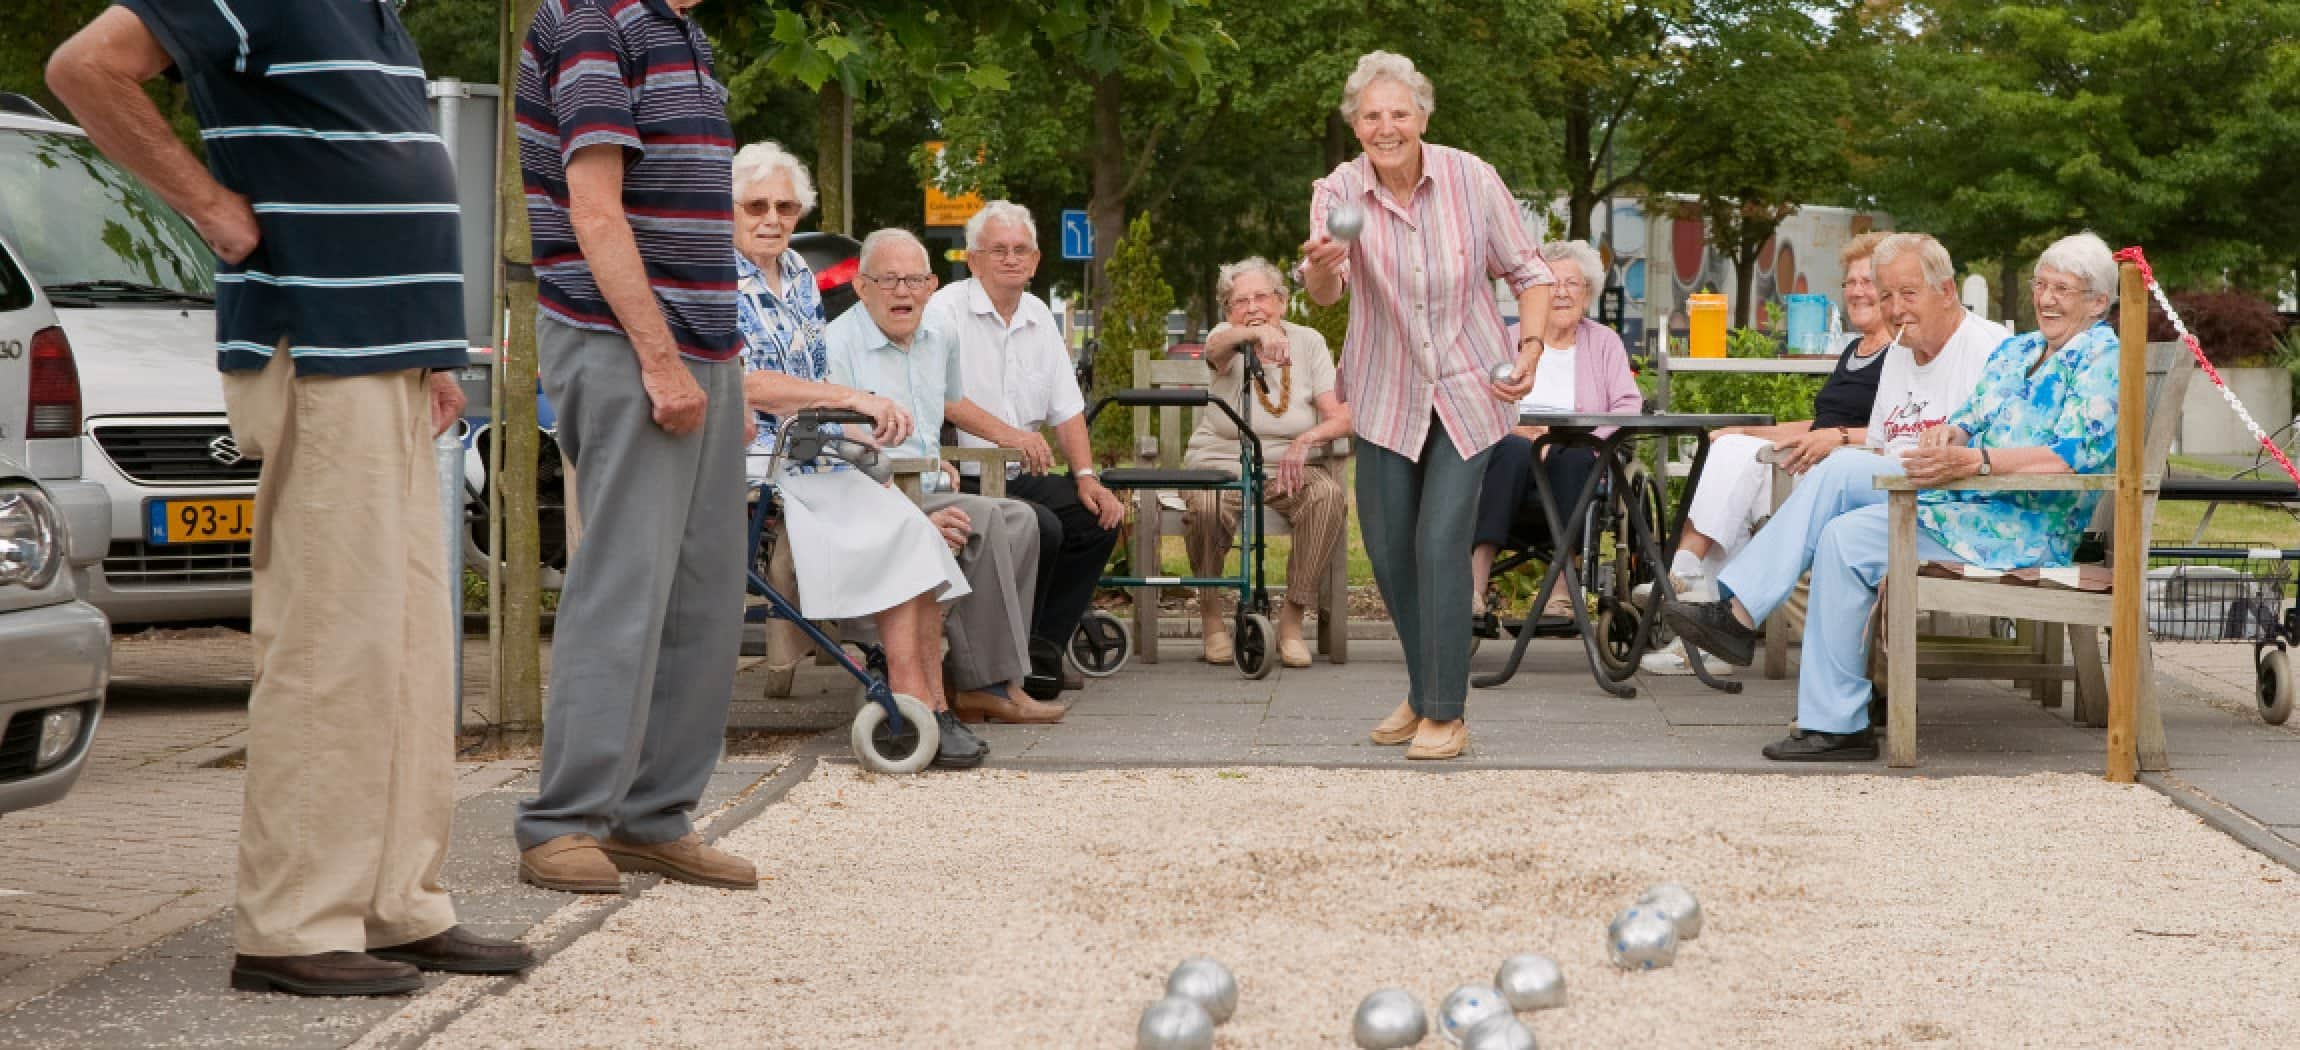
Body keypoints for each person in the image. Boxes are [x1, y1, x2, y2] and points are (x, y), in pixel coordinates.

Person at [46, 0, 532, 995]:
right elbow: (83, 67)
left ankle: (397, 903)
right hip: (316, 344)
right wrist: (212, 209)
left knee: (404, 647)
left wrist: (433, 351)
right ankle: (293, 926)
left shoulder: (375, 14)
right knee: (329, 640)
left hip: (388, 357)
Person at [1663, 232, 2124, 765]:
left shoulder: (2099, 355)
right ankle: (1835, 725)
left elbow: (2076, 455)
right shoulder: (2019, 350)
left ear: (2097, 302)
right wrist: (1949, 437)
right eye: (2041, 285)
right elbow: (1968, 421)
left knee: (1837, 471)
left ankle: (1738, 613)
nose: (2045, 298)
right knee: (1842, 537)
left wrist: (1979, 461)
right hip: (1964, 507)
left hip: (2020, 527)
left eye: (2062, 289)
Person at [512, 0, 757, 896]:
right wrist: (661, 360)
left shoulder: (685, 30)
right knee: (622, 586)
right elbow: (596, 211)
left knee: (703, 594)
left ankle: (652, 819)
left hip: (702, 347)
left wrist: (720, 365)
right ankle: (564, 822)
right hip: (622, 340)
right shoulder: (590, 20)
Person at [729, 143, 1055, 758]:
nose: (772, 218)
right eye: (756, 205)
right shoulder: (715, 277)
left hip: (815, 454)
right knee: (916, 529)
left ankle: (926, 706)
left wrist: (866, 447)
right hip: (758, 464)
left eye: (786, 206)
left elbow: (820, 392)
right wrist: (859, 403)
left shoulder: (797, 274)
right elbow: (748, 385)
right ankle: (915, 707)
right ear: (730, 208)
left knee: (925, 531)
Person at [1300, 51, 1556, 761]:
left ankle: (1446, 710)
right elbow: (1329, 286)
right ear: (1355, 125)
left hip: (1472, 387)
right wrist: (1321, 267)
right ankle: (1422, 689)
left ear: (1423, 117)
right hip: (1386, 392)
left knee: (1441, 539)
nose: (1387, 127)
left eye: (1399, 113)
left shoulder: (1471, 179)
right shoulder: (1342, 192)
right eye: (1372, 116)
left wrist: (1530, 348)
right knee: (1388, 550)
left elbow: (1529, 271)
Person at [824, 228, 1062, 732]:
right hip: (872, 493)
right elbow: (835, 443)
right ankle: (988, 684)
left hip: (925, 484)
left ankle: (979, 678)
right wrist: (913, 471)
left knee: (1022, 520)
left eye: (914, 279)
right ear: (861, 287)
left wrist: (936, 459)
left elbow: (940, 413)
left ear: (933, 285)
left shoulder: (940, 336)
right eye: (887, 280)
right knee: (986, 520)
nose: (903, 291)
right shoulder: (838, 344)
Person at [1636, 231, 1895, 675]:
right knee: (1735, 454)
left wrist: (1835, 438)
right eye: (1850, 281)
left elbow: (1886, 431)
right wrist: (1751, 430)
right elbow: (1817, 427)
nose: (1856, 290)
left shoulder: (1901, 355)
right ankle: (1700, 622)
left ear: (1890, 287)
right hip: (1814, 462)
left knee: (1741, 462)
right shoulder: (1854, 350)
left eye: (1867, 281)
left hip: (1846, 479)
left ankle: (1686, 576)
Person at [929, 202, 1126, 696]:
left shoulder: (1038, 314)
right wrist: (1009, 435)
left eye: (1021, 250)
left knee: (1098, 520)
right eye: (998, 250)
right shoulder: (946, 309)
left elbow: (1067, 409)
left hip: (1017, 474)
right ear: (973, 259)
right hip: (958, 470)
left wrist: (1086, 476)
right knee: (1044, 527)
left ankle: (1040, 650)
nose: (1011, 259)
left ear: (1036, 261)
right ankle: (1002, 656)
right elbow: (939, 395)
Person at [1181, 258, 1353, 668]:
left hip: (1286, 467)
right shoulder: (1226, 337)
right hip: (1220, 462)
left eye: (1262, 297)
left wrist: (1308, 438)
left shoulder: (1308, 342)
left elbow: (1342, 415)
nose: (1253, 305)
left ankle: (1292, 621)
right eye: (1241, 300)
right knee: (1205, 506)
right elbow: (1215, 350)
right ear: (1228, 311)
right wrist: (1255, 334)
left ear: (1282, 301)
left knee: (1327, 496)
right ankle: (1211, 620)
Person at [1466, 239, 1641, 634]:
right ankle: (1474, 586)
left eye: (1572, 284)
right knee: (1509, 449)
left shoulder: (1604, 343)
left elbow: (1628, 406)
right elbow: (1477, 400)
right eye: (1551, 283)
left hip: (1576, 457)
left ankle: (1563, 590)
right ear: (1535, 292)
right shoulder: (1507, 339)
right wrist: (1516, 428)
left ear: (1588, 292)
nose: (1561, 292)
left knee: (1576, 457)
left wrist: (1586, 437)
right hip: (1512, 458)